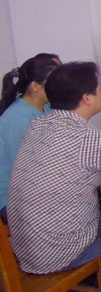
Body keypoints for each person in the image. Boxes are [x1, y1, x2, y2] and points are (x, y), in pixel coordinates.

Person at [7, 62, 101, 274]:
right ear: (87, 99)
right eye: (99, 88)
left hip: (28, 248)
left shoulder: (38, 124)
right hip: (60, 252)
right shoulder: (85, 136)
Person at [0, 55, 58, 223]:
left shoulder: (46, 107)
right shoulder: (17, 119)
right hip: (15, 198)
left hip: (38, 185)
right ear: (35, 87)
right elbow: (27, 172)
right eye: (53, 81)